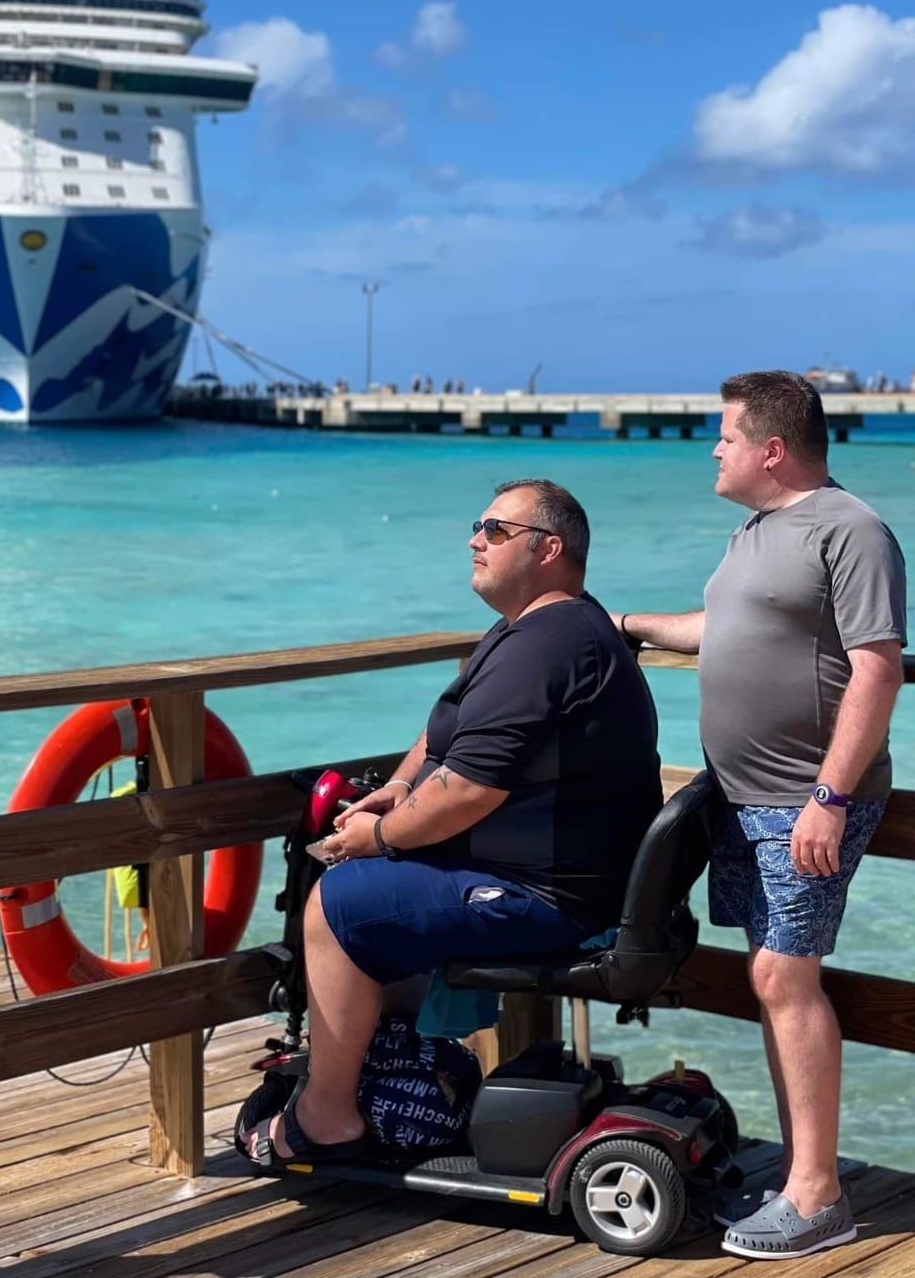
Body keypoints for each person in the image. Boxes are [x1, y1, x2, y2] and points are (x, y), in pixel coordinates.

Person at [243, 478, 662, 1168]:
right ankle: (394, 1072)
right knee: (377, 887)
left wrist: (375, 837)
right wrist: (400, 789)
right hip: (554, 875)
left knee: (339, 902)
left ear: (549, 549)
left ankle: (327, 1117)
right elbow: (446, 738)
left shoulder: (546, 646)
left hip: (552, 898)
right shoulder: (534, 629)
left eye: (495, 531)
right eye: (479, 526)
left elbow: (467, 790)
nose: (475, 539)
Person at [614, 370, 906, 1261]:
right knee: (768, 978)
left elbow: (878, 667)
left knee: (785, 978)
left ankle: (818, 1197)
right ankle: (798, 1176)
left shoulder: (851, 530)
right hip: (740, 797)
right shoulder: (756, 532)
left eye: (726, 435)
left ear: (771, 449)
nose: (714, 448)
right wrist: (618, 621)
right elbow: (719, 627)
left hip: (803, 800)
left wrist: (829, 795)